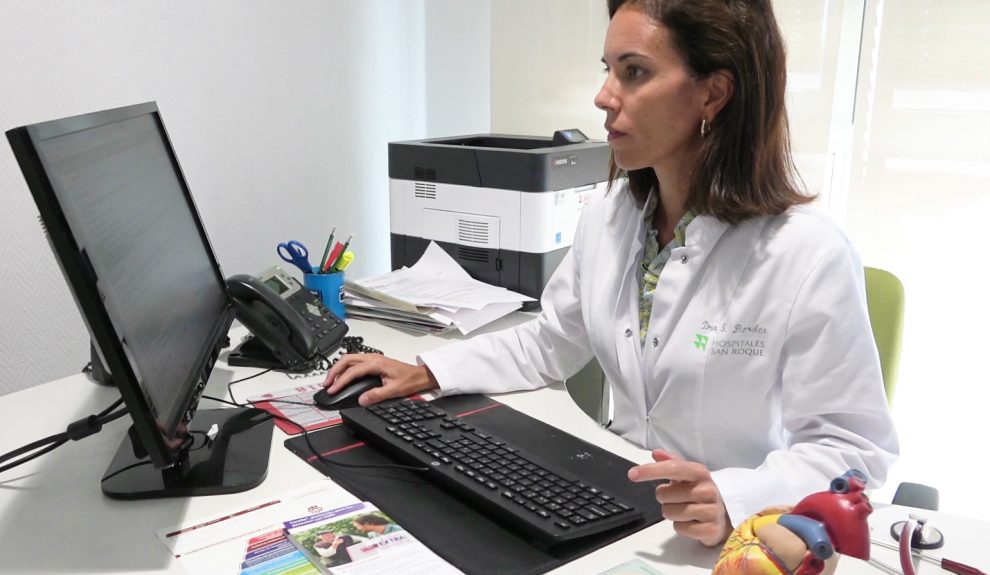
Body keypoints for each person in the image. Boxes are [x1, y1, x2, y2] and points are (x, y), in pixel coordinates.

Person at [323, 0, 898, 547]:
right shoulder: (610, 217)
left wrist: (736, 497)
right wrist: (429, 370)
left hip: (733, 539)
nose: (603, 96)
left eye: (634, 72)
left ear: (714, 93)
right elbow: (551, 341)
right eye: (609, 69)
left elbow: (854, 449)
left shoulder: (804, 252)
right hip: (622, 498)